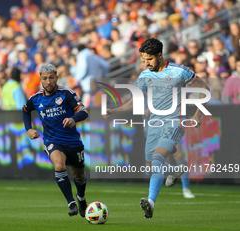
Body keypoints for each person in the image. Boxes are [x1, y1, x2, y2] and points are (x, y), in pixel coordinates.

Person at [103, 38, 210, 219]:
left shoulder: (179, 71)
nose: (146, 63)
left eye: (149, 59)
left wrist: (198, 115)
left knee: (158, 156)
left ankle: (150, 203)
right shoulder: (145, 76)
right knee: (151, 168)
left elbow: (204, 90)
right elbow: (133, 102)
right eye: (144, 59)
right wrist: (114, 110)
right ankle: (174, 170)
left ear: (160, 55)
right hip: (153, 124)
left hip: (174, 122)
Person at [22, 63, 88, 217]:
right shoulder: (35, 98)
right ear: (40, 80)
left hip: (72, 141)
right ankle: (71, 203)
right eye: (45, 78)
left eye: (51, 77)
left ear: (57, 78)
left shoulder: (66, 94)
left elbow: (83, 111)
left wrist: (73, 118)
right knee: (59, 165)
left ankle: (81, 197)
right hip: (52, 140)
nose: (49, 81)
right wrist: (29, 128)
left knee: (78, 175)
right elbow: (25, 110)